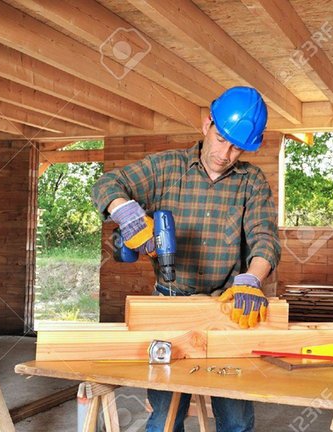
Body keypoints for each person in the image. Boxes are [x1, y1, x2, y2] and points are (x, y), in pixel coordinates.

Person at [91, 86, 281, 432]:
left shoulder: (251, 181)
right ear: (206, 123)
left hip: (229, 308)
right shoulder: (165, 168)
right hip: (169, 306)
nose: (226, 154)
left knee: (236, 419)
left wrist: (252, 280)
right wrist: (128, 214)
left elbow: (264, 238)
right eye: (222, 139)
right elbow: (106, 184)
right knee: (165, 416)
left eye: (237, 146)